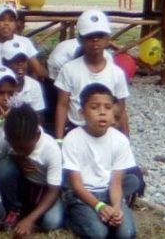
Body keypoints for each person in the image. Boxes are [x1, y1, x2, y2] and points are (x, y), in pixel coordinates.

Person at [62, 84, 139, 239]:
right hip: (82, 195)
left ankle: (115, 210)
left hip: (109, 194)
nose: (102, 112)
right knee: (98, 234)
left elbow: (116, 182)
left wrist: (116, 208)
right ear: (82, 113)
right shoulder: (72, 138)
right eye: (95, 107)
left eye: (108, 107)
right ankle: (72, 217)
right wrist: (99, 206)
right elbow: (77, 184)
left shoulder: (120, 140)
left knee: (126, 234)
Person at [55, 10, 129, 140]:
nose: (95, 40)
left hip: (106, 131)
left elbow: (121, 110)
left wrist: (125, 139)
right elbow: (62, 105)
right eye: (90, 36)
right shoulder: (69, 69)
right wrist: (59, 139)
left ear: (107, 40)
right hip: (76, 129)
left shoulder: (117, 73)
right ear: (80, 40)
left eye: (100, 35)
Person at [0, 105, 64, 236]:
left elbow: (53, 190)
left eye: (24, 148)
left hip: (45, 190)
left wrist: (29, 220)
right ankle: (14, 210)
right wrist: (19, 160)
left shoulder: (51, 149)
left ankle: (31, 216)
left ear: (37, 134)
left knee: (52, 222)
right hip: (25, 184)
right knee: (4, 166)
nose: (20, 151)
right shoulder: (11, 138)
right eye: (15, 147)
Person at [0, 3, 46, 89]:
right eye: (2, 20)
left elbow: (38, 70)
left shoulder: (24, 42)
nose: (6, 24)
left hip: (19, 88)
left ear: (16, 24)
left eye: (11, 20)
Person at [2, 39, 46, 125]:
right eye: (15, 60)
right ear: (4, 63)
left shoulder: (34, 85)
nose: (20, 64)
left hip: (27, 131)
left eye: (23, 60)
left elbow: (39, 117)